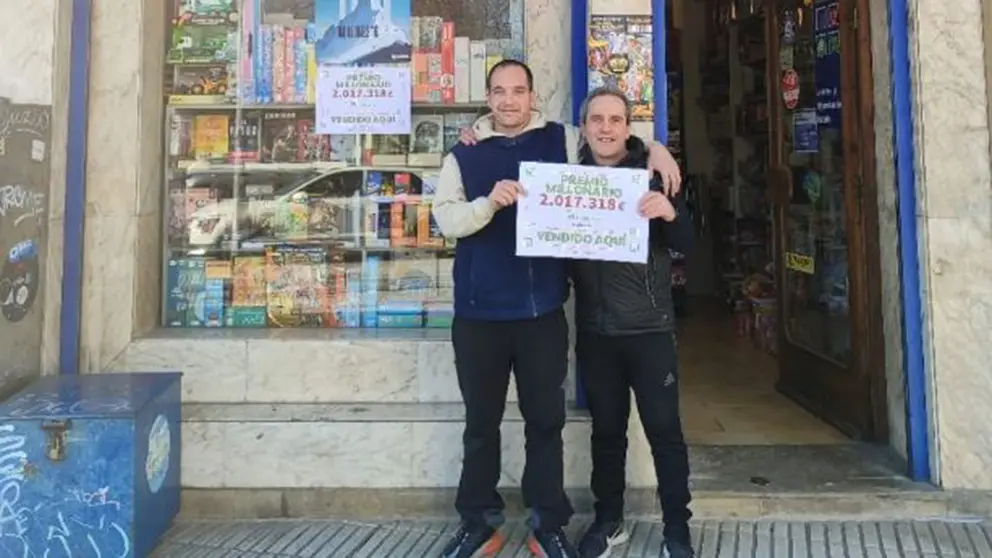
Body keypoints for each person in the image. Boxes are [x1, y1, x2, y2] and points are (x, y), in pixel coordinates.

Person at [432, 60, 682, 558]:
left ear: (533, 96)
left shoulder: (562, 140)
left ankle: (547, 524)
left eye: (518, 91)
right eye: (499, 92)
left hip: (542, 312)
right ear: (488, 97)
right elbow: (446, 221)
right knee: (480, 425)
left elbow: (611, 139)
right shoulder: (463, 153)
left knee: (545, 424)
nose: (508, 100)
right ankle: (478, 522)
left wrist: (656, 147)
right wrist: (487, 204)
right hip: (479, 314)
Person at [569, 87, 695, 558]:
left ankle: (677, 530)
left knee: (665, 432)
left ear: (628, 127)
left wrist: (670, 212)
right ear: (584, 127)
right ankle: (609, 521)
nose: (605, 128)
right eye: (596, 119)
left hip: (649, 330)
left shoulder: (653, 174)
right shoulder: (569, 178)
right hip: (596, 330)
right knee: (606, 433)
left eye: (615, 120)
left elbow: (688, 244)